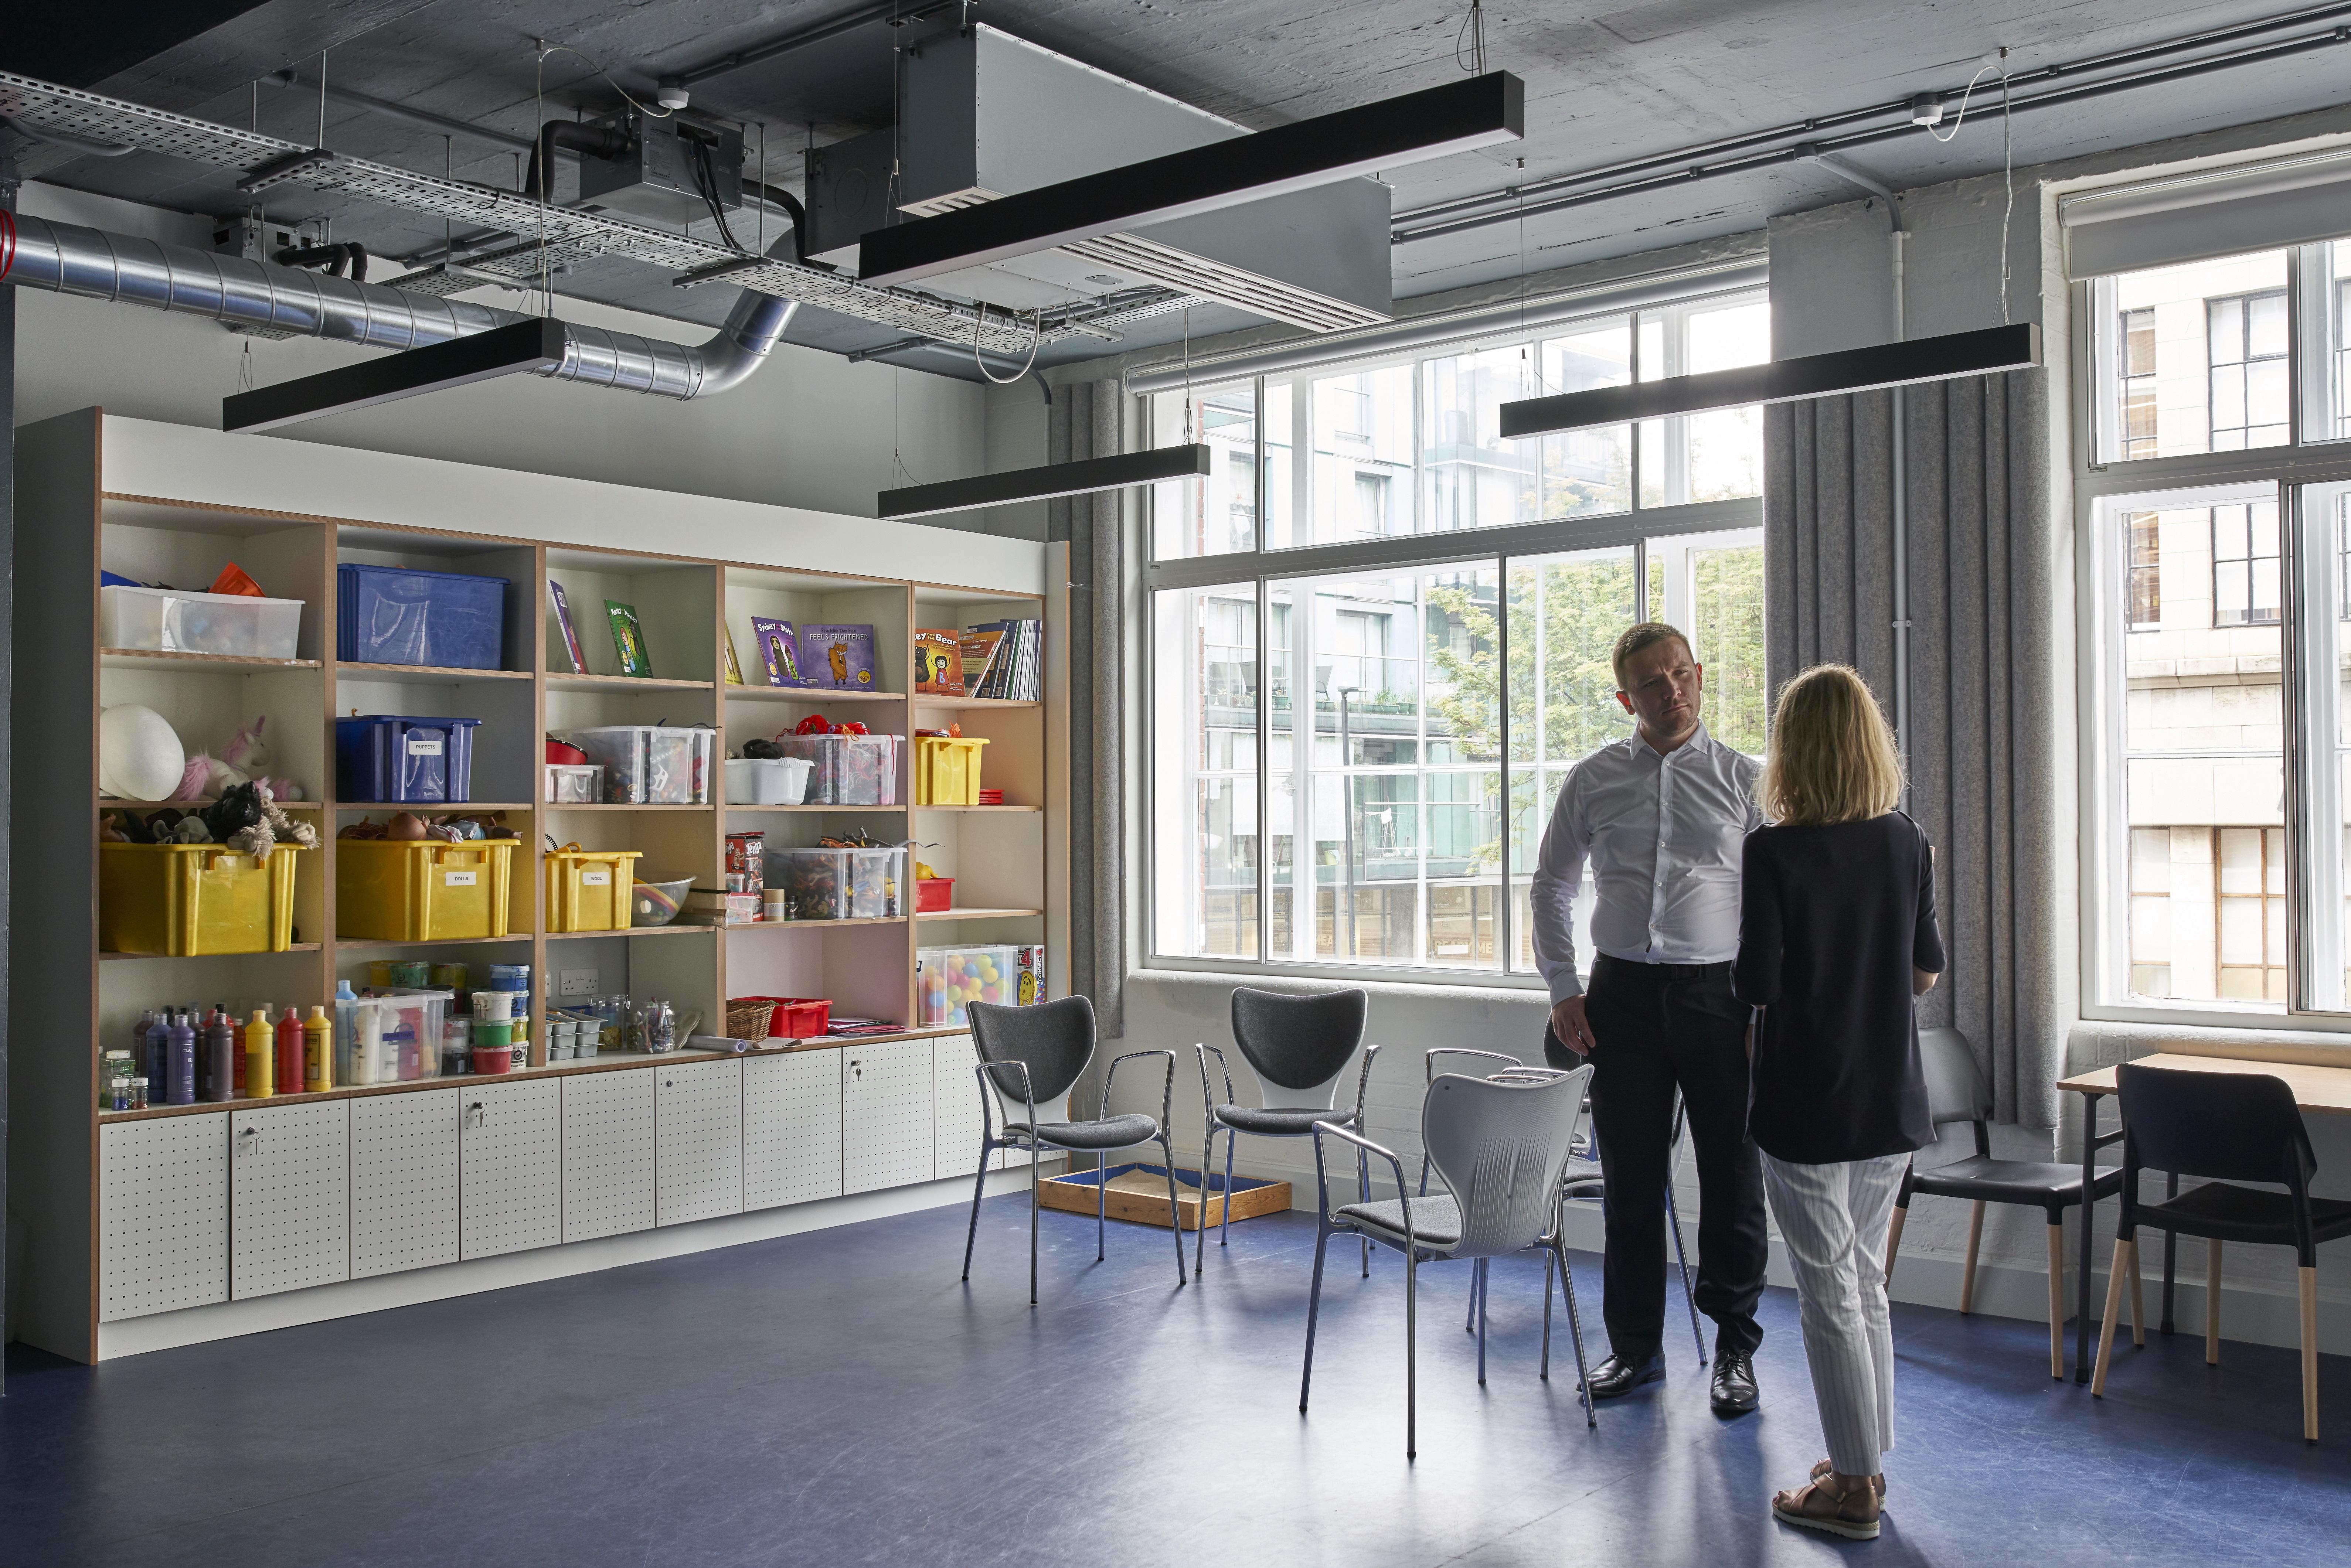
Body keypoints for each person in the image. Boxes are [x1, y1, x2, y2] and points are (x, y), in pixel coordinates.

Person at [1529, 621, 1769, 1417]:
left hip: (1719, 1000)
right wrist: (1564, 987)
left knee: (1732, 1179)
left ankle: (1735, 1348)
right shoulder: (1593, 779)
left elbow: (1775, 908)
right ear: (1626, 697)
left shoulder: (1745, 781)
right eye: (1652, 684)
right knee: (1631, 1180)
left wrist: (1761, 1005)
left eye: (1681, 675)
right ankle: (1635, 1351)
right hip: (1619, 999)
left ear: (1698, 674)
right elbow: (1551, 888)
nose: (1672, 693)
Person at [1733, 664, 1944, 1543]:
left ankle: (1853, 1488)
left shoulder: (1773, 850)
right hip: (1889, 1095)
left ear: (1792, 751)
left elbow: (1757, 981)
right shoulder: (1908, 840)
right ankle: (1865, 1457)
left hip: (1806, 1102)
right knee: (1864, 1281)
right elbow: (1924, 972)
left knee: (1827, 1291)